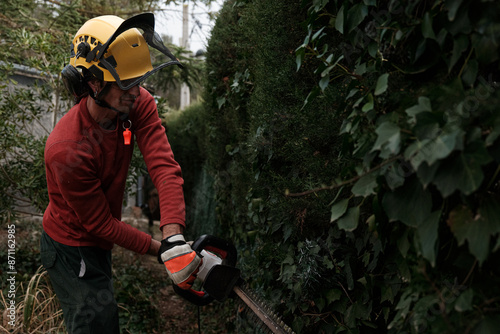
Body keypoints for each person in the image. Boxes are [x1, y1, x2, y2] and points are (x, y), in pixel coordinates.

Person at [40, 13, 201, 334]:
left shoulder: (133, 103)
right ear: (94, 83)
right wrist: (162, 252)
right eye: (127, 83)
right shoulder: (67, 149)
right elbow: (98, 223)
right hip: (72, 246)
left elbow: (164, 166)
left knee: (105, 317)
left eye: (139, 81)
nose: (137, 91)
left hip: (99, 242)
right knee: (95, 324)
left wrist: (174, 237)